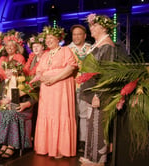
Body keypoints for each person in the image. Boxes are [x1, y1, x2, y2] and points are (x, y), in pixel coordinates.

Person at [79, 14, 119, 166]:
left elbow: (107, 74)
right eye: (91, 26)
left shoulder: (107, 45)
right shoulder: (98, 44)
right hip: (91, 92)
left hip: (98, 93)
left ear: (103, 28)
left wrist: (98, 95)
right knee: (91, 124)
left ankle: (98, 160)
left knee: (98, 126)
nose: (91, 29)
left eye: (94, 26)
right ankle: (90, 155)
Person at [33, 26, 78, 158]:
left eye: (51, 38)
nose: (48, 41)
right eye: (47, 39)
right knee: (47, 114)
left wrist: (54, 78)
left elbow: (71, 68)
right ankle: (45, 146)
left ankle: (59, 148)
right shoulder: (45, 54)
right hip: (47, 89)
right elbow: (39, 70)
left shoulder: (66, 50)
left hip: (61, 87)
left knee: (60, 114)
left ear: (59, 38)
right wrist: (42, 77)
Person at [0, 61, 37, 158]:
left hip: (22, 109)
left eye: (10, 70)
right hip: (7, 108)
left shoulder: (24, 81)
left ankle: (11, 145)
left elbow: (35, 97)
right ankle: (4, 142)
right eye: (6, 70)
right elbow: (0, 96)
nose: (7, 73)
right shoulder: (5, 82)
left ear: (16, 70)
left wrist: (25, 104)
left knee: (11, 115)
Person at [68, 24, 92, 152]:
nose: (76, 37)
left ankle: (82, 141)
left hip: (85, 87)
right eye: (74, 34)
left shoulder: (90, 49)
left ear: (85, 36)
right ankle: (70, 140)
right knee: (70, 115)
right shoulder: (66, 49)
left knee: (83, 114)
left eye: (79, 34)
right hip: (69, 86)